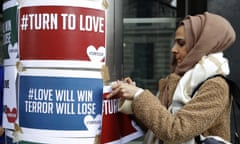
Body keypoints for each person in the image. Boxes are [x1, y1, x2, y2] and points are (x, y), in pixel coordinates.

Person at [107, 12, 236, 144]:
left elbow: (176, 131)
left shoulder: (216, 86)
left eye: (181, 43)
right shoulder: (176, 80)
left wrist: (139, 95)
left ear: (201, 45)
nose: (173, 49)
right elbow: (157, 127)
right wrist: (131, 99)